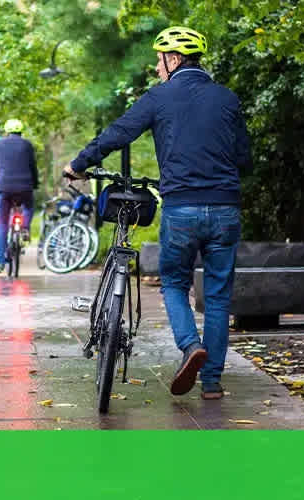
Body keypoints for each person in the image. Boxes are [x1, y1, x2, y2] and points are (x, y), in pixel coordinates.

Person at [64, 26, 252, 400]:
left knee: (172, 282)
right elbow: (245, 160)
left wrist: (79, 164)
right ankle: (211, 381)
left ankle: (189, 345)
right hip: (226, 208)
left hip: (182, 208)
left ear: (175, 58)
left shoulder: (159, 97)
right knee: (217, 296)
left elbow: (118, 133)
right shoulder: (228, 99)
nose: (156, 67)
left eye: (159, 59)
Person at [0, 119, 38, 268]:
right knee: (28, 207)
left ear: (6, 132)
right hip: (25, 187)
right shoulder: (27, 145)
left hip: (5, 188)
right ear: (21, 132)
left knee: (2, 224)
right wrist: (34, 184)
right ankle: (25, 228)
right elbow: (33, 167)